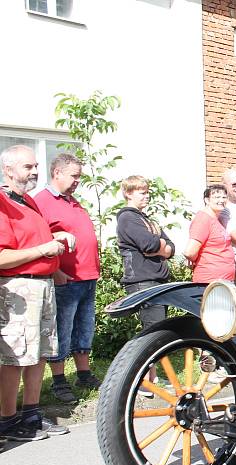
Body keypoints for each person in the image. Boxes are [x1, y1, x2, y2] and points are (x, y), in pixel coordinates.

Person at [0, 145, 71, 440]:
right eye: (28, 167)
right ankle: (8, 421)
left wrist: (55, 240)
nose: (35, 172)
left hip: (42, 286)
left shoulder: (27, 200)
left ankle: (31, 414)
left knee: (40, 354)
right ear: (8, 170)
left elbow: (32, 240)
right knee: (15, 356)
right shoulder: (3, 203)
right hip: (18, 288)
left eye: (35, 166)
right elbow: (3, 256)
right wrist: (45, 249)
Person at [34, 152, 103, 404]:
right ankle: (59, 380)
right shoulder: (41, 201)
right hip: (66, 278)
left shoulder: (73, 201)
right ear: (57, 173)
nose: (77, 181)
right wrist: (55, 270)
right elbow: (38, 240)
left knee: (84, 327)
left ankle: (83, 374)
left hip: (86, 276)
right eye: (74, 176)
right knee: (62, 330)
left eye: (80, 177)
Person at [116, 176, 175, 397]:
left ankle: (153, 376)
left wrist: (161, 247)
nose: (146, 195)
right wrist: (160, 246)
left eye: (147, 191)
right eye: (141, 191)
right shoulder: (127, 218)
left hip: (157, 280)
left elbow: (171, 247)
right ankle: (142, 381)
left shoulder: (147, 219)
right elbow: (150, 244)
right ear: (128, 193)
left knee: (157, 330)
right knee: (153, 331)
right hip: (142, 281)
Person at [184, 184, 235, 283]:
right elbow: (190, 252)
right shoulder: (203, 219)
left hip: (223, 281)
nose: (221, 200)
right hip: (210, 280)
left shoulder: (215, 220)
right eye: (217, 197)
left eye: (224, 197)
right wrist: (198, 260)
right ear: (207, 200)